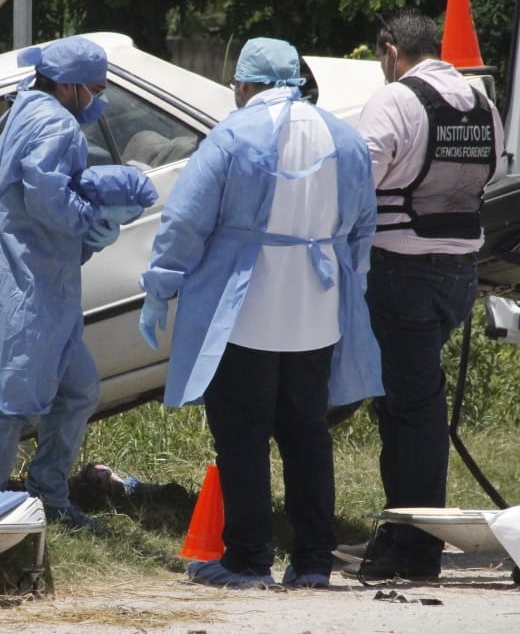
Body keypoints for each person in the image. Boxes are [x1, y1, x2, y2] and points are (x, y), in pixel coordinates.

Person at [139, 37, 381, 589]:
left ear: (246, 84)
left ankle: (249, 559)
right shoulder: (343, 137)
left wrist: (161, 284)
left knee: (243, 437)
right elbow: (364, 226)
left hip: (244, 313)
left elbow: (185, 219)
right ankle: (314, 561)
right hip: (317, 313)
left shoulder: (232, 135)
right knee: (308, 436)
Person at [0, 36, 147, 532]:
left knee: (78, 389)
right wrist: (91, 218)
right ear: (70, 84)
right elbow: (46, 198)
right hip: (25, 280)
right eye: (94, 89)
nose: (97, 99)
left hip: (34, 275)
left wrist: (85, 230)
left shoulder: (25, 108)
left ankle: (48, 495)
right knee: (9, 404)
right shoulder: (56, 123)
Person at [339, 9, 504, 581]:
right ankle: (404, 531)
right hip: (458, 271)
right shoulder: (482, 104)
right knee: (413, 402)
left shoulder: (396, 101)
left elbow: (356, 182)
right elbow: (487, 177)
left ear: (390, 51)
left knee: (410, 410)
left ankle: (414, 546)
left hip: (401, 269)